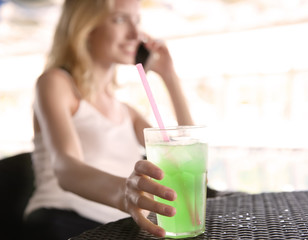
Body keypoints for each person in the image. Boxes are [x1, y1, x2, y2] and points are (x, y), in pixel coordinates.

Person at [24, 0, 194, 239]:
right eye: (120, 19)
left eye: (137, 21)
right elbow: (66, 168)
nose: (136, 34)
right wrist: (123, 193)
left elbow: (185, 155)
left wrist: (169, 76)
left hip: (117, 224)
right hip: (62, 218)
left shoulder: (126, 111)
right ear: (85, 27)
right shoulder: (55, 83)